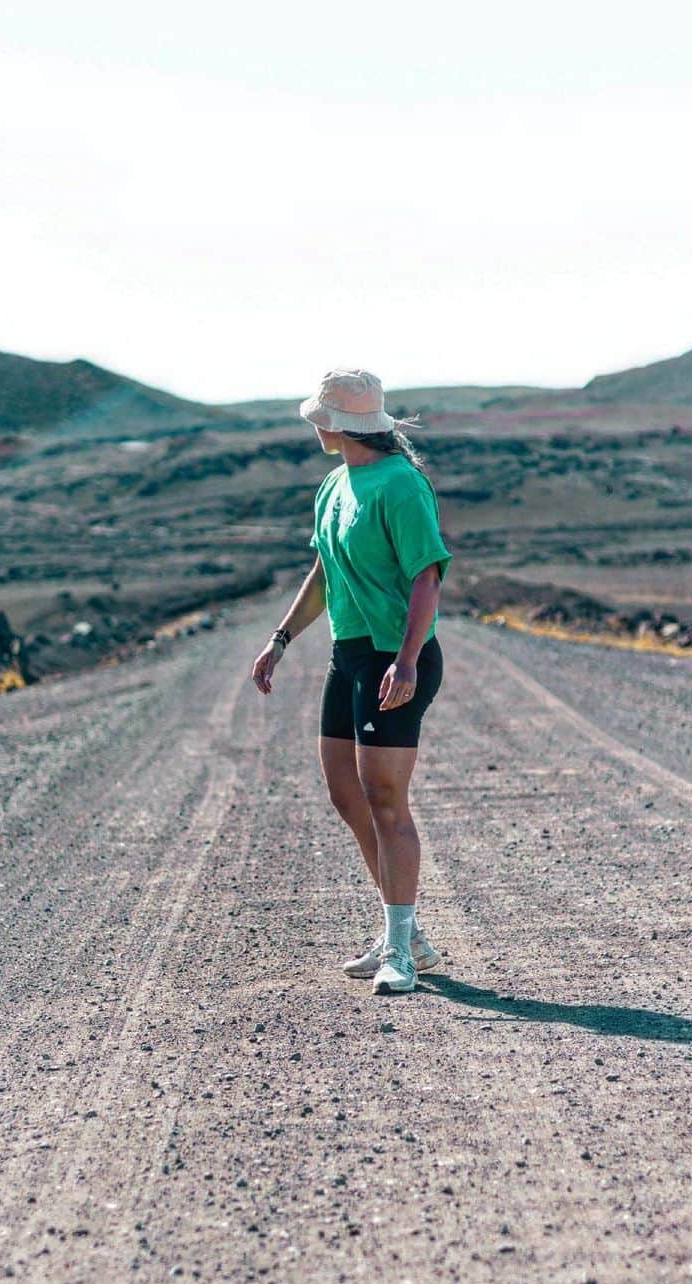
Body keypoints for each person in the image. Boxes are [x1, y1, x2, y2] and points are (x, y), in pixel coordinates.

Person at [250, 369, 453, 994]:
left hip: (396, 656)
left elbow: (427, 576)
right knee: (346, 793)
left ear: (338, 425)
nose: (314, 426)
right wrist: (281, 638)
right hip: (350, 652)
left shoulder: (401, 485)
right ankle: (407, 932)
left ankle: (400, 949)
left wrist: (410, 658)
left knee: (386, 799)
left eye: (320, 417)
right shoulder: (334, 485)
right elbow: (323, 570)